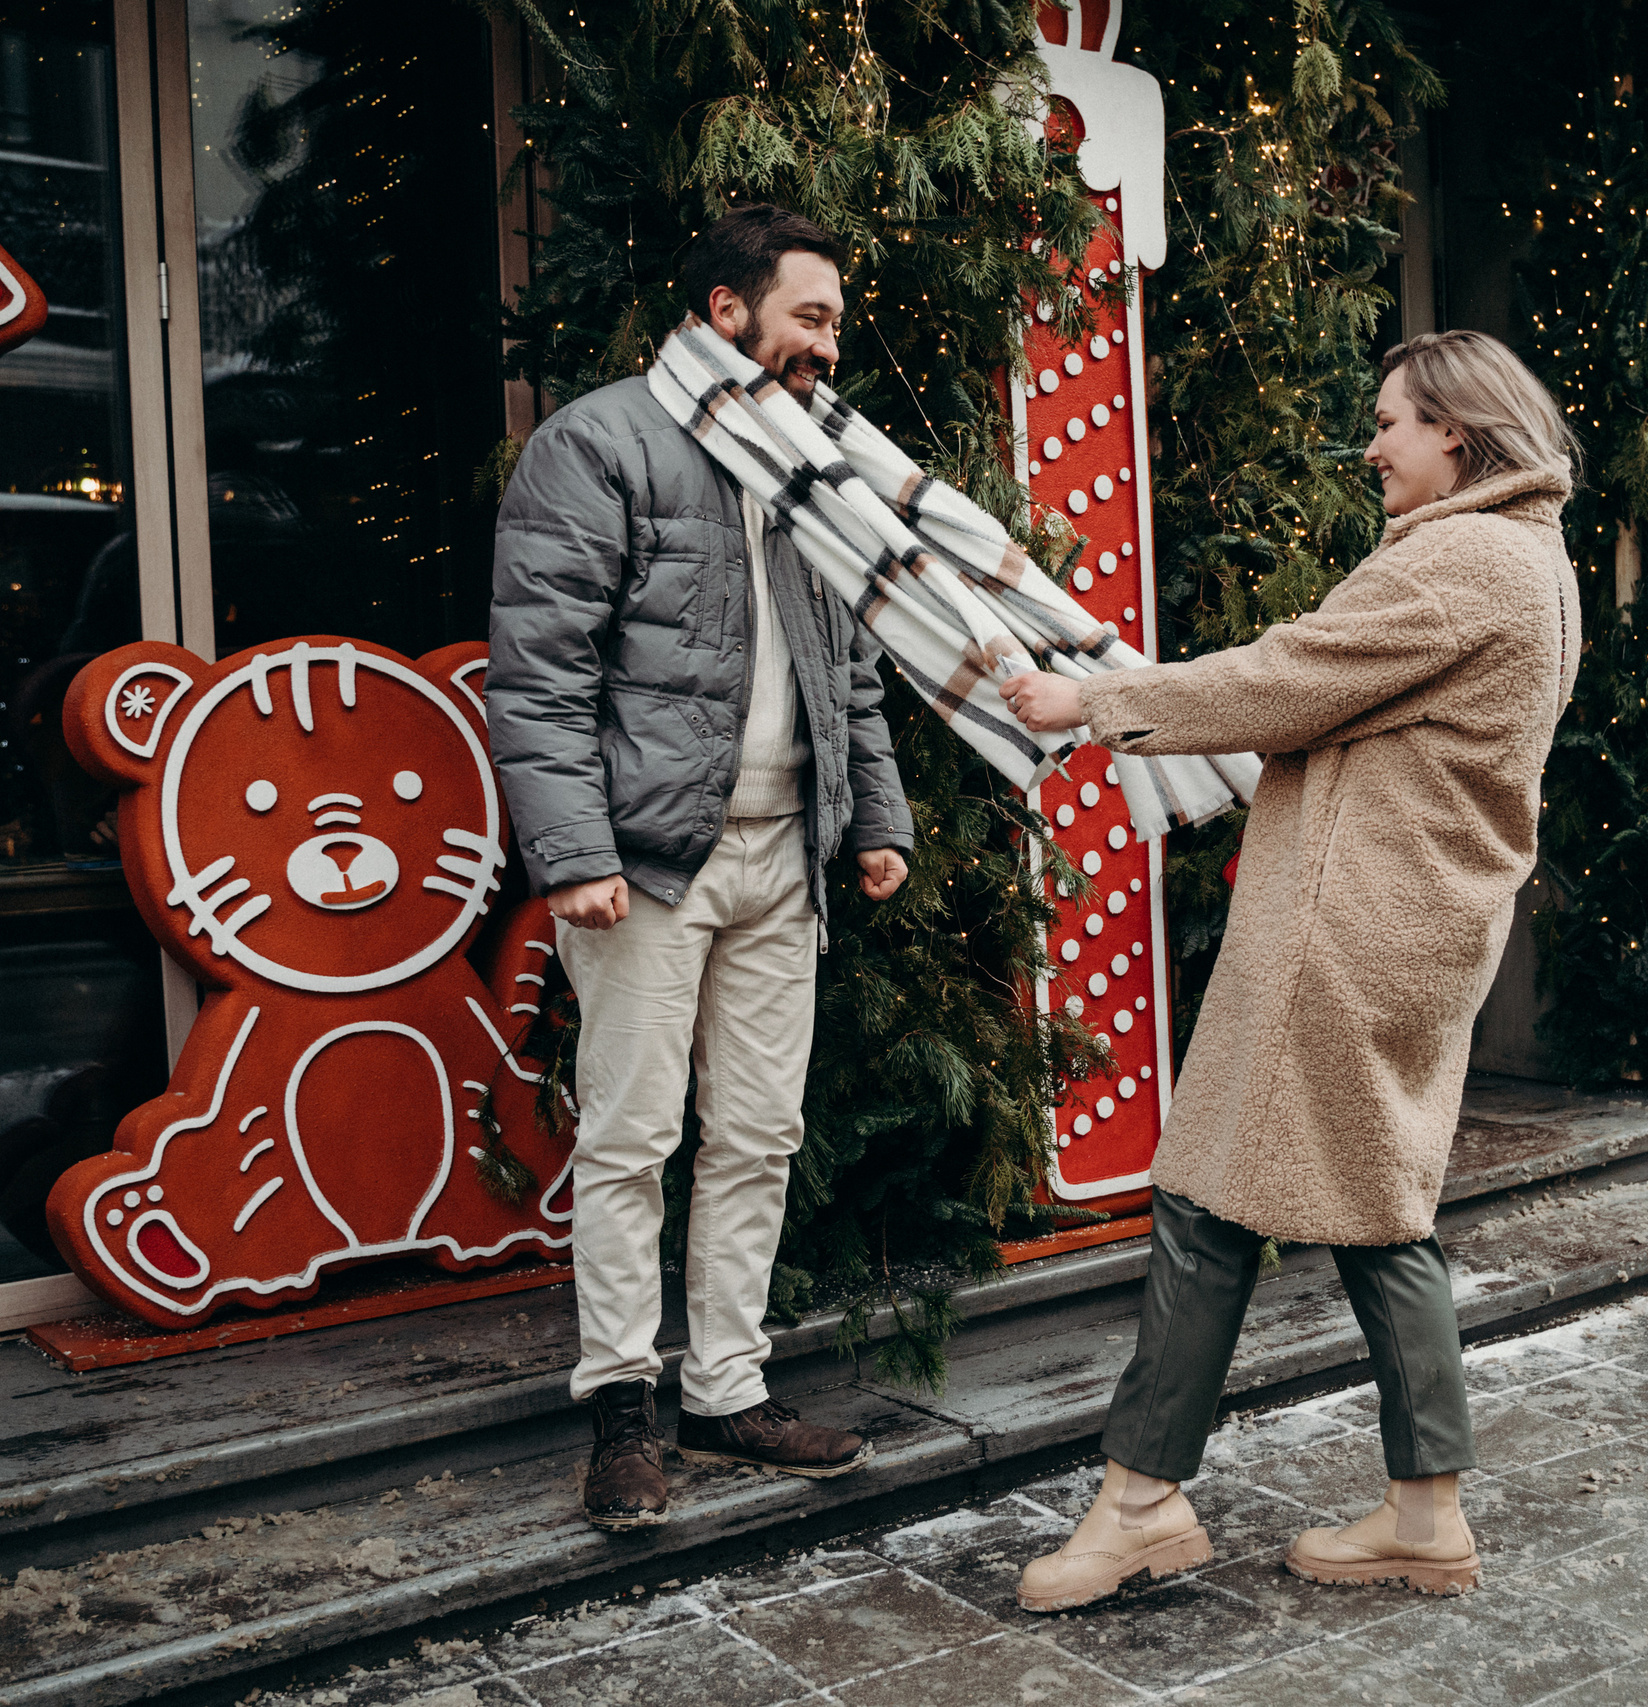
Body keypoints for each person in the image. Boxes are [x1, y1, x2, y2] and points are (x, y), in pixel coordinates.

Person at [998, 329, 1582, 1608]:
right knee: (1382, 1213)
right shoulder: (1530, 560)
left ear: (1459, 433)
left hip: (1347, 930)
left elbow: (1288, 678)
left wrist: (1092, 704)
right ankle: (1425, 1514)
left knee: (1209, 1205)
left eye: (1391, 422)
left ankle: (1139, 1504)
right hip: (1405, 929)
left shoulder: (1464, 558)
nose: (1371, 446)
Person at [487, 205, 913, 1531]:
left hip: (784, 860)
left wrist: (878, 817)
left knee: (759, 1134)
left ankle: (728, 1388)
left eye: (835, 323)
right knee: (628, 1139)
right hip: (644, 869)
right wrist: (573, 857)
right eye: (813, 318)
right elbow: (540, 679)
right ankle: (624, 1409)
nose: (830, 348)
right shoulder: (597, 445)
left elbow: (851, 668)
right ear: (727, 312)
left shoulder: (814, 466)